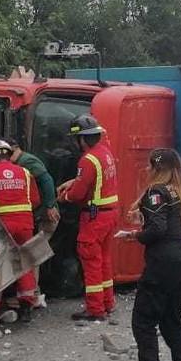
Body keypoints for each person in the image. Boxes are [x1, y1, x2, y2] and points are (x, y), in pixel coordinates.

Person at [119, 149, 181, 361]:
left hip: (163, 263)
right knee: (172, 319)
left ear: (156, 168)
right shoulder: (180, 193)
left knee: (143, 320)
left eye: (150, 166)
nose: (147, 171)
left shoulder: (156, 192)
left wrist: (134, 235)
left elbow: (157, 230)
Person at [57, 115, 119, 322]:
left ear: (81, 139)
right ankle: (108, 303)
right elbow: (93, 179)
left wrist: (63, 196)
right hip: (110, 213)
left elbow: (77, 195)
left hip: (95, 217)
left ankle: (95, 309)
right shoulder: (105, 152)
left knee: (91, 261)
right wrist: (73, 181)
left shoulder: (87, 159)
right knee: (104, 260)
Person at [0, 140, 40, 323]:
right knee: (24, 265)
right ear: (8, 155)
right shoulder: (25, 172)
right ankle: (26, 307)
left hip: (1, 228)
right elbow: (36, 200)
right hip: (24, 225)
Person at [8, 139, 59, 232]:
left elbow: (47, 180)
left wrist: (50, 206)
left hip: (45, 213)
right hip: (39, 212)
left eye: (9, 153)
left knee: (40, 243)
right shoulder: (19, 162)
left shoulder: (26, 161)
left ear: (15, 148)